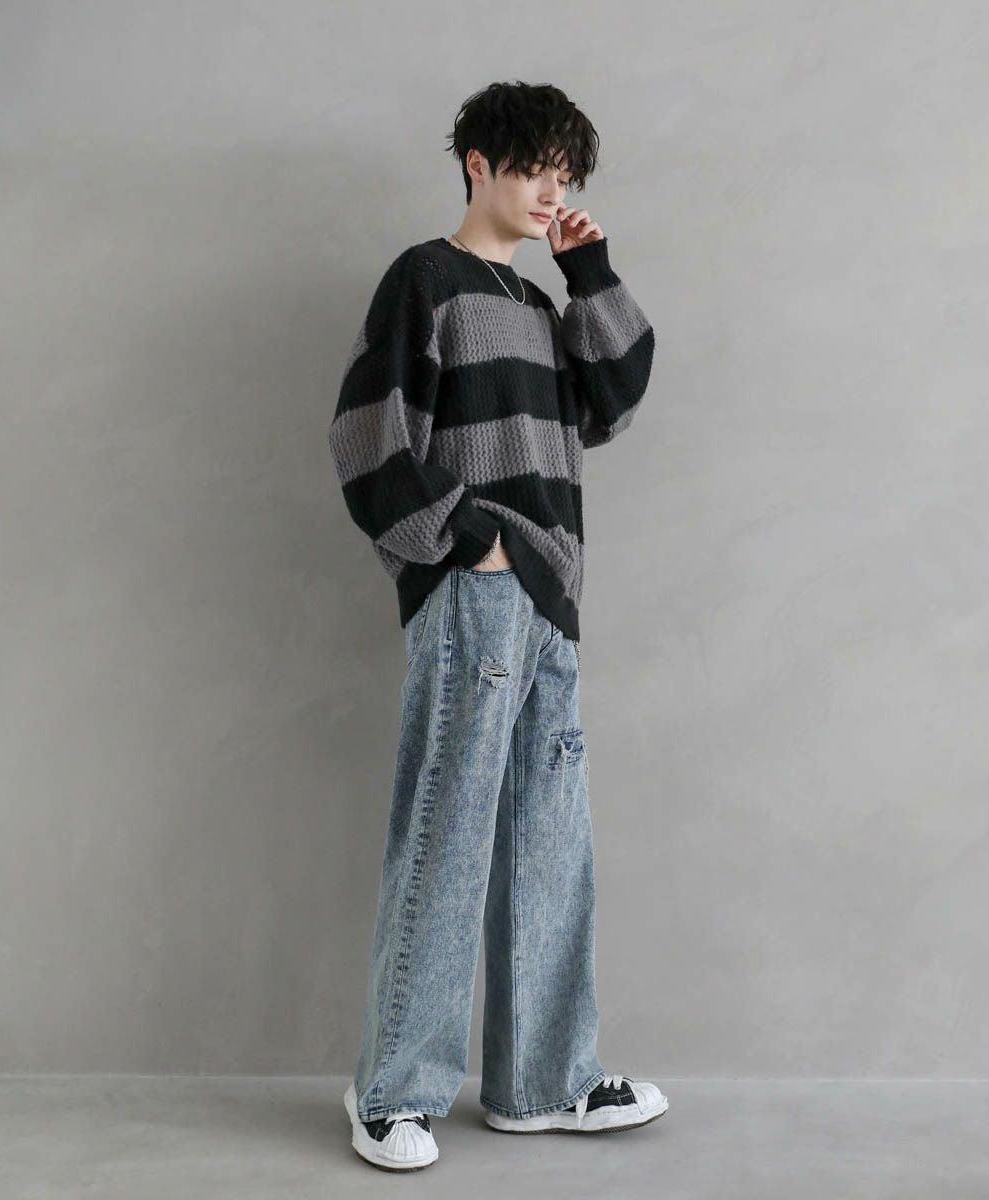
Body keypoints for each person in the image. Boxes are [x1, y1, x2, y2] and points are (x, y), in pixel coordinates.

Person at [329, 79, 668, 1172]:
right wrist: (463, 540)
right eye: (533, 169)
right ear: (477, 162)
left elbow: (617, 394)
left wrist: (587, 268)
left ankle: (542, 1082)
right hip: (477, 594)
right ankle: (393, 1093)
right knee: (449, 832)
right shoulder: (424, 280)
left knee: (548, 843)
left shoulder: (537, 306)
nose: (548, 191)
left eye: (563, 176)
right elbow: (366, 434)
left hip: (552, 603)